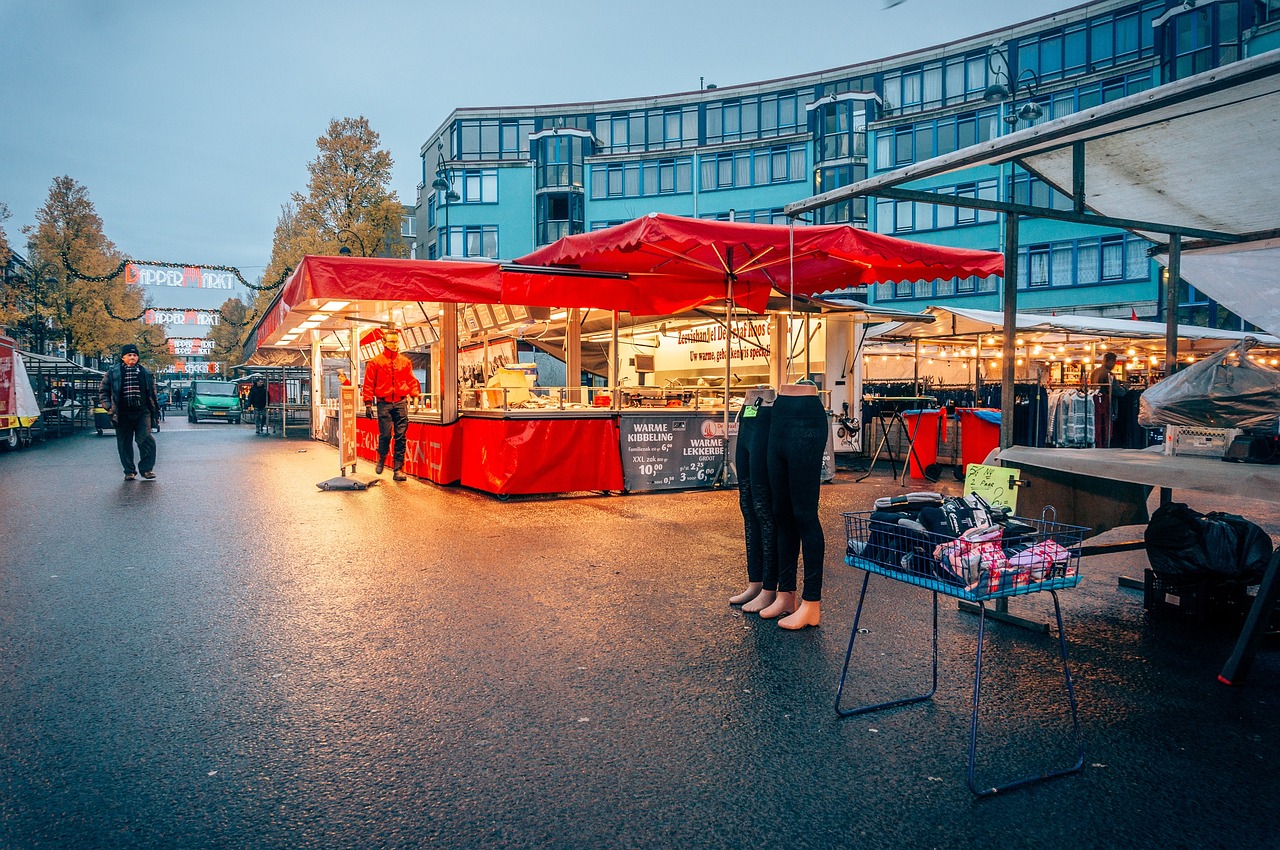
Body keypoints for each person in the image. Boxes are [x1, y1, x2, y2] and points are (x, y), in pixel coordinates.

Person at [759, 382, 828, 630]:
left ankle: (811, 602)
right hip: (780, 413)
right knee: (782, 514)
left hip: (807, 417)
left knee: (805, 514)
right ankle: (785, 594)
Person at [361, 327, 420, 481]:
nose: (394, 344)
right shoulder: (375, 362)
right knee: (386, 435)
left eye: (396, 341)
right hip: (384, 404)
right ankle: (381, 458)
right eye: (391, 341)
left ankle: (398, 469)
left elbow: (411, 380)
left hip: (401, 402)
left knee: (401, 436)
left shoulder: (405, 362)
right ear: (384, 342)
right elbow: (368, 383)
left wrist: (415, 397)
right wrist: (368, 403)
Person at [99, 343, 161, 481]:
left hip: (142, 412)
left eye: (134, 355)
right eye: (129, 355)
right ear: (123, 357)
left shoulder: (146, 372)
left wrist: (155, 411)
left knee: (145, 439)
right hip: (122, 413)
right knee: (124, 442)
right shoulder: (113, 372)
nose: (132, 357)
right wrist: (109, 408)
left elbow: (152, 394)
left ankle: (147, 469)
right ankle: (129, 471)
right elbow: (103, 391)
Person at [1088, 351, 1127, 447]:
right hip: (1107, 405)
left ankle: (1099, 444)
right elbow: (1117, 391)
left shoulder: (1095, 372)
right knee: (1107, 428)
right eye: (1114, 363)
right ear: (1110, 361)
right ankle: (1106, 445)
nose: (1114, 365)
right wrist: (1126, 388)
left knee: (1099, 427)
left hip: (1095, 403)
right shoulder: (1109, 374)